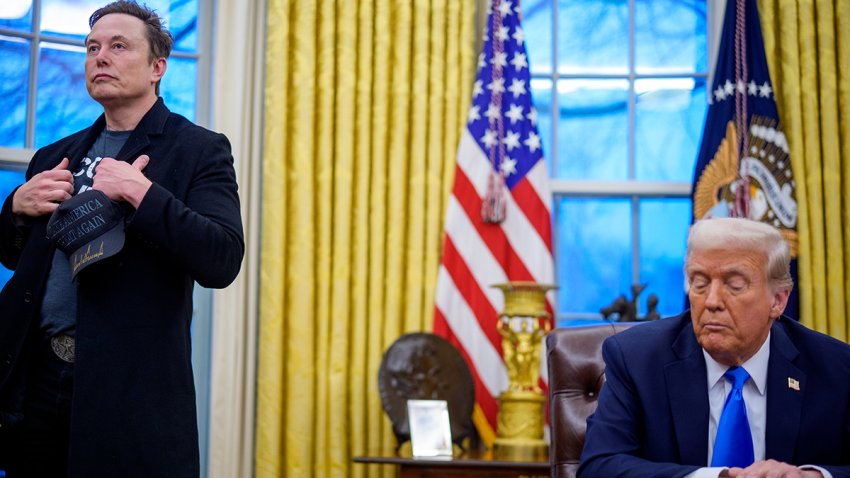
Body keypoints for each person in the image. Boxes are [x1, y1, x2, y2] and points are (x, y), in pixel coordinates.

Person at [0, 1, 244, 476]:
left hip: (128, 391)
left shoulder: (198, 149)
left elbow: (222, 258)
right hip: (37, 381)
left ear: (158, 68)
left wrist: (143, 194)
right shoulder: (56, 154)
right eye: (92, 48)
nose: (99, 57)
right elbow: (12, 259)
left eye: (118, 46)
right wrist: (15, 209)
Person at [578, 217, 850, 478]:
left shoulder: (835, 367)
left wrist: (813, 475)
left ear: (777, 301)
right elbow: (599, 467)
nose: (711, 301)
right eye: (699, 283)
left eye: (734, 285)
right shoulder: (637, 359)